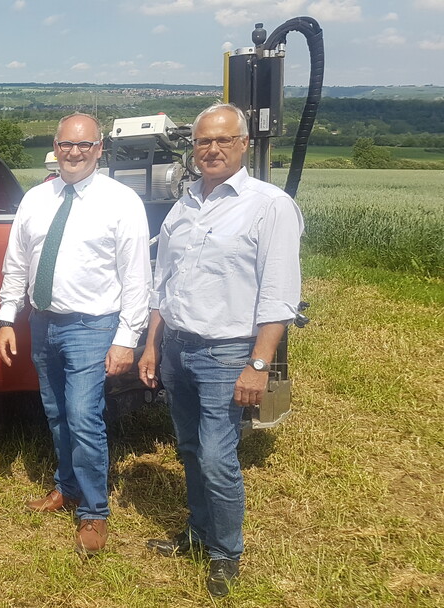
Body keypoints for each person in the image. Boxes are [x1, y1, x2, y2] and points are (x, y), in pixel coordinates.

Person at [138, 102, 303, 597]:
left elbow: (279, 297)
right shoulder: (185, 203)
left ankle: (225, 552)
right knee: (189, 448)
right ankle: (197, 532)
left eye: (223, 140)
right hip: (179, 348)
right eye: (203, 141)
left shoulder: (269, 206)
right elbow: (163, 282)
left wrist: (258, 365)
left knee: (216, 456)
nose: (211, 149)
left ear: (244, 144)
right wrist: (151, 345)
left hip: (228, 353)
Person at [0, 113, 151, 555]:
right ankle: (67, 488)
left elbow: (137, 277)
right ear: (56, 147)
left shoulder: (121, 202)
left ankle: (94, 513)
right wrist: (7, 318)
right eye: (67, 144)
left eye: (85, 145)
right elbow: (17, 264)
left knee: (84, 416)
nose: (75, 152)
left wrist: (126, 338)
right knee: (57, 413)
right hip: (43, 323)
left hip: (93, 325)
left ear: (100, 149)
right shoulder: (36, 199)